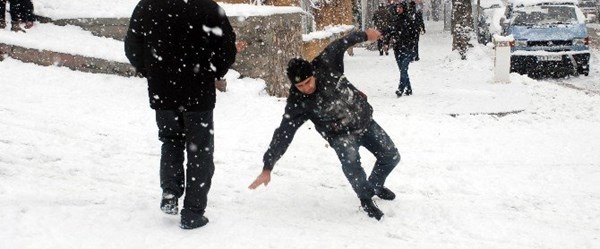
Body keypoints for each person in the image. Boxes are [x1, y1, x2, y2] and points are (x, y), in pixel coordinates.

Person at [248, 29, 401, 221]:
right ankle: (366, 198)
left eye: (307, 82)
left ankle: (376, 185)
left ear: (313, 74)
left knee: (391, 156)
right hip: (340, 135)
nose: (306, 88)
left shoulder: (326, 62)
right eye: (300, 86)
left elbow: (343, 42)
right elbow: (283, 133)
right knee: (352, 164)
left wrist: (365, 36)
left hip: (365, 121)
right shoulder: (298, 103)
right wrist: (268, 166)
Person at [124, 0, 237, 229]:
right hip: (198, 90)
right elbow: (226, 47)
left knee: (170, 140)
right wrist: (215, 71)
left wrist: (150, 71)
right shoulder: (208, 8)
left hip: (163, 89)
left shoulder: (148, 6)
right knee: (200, 149)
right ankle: (193, 212)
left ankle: (170, 191)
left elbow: (132, 46)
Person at [385, 2, 419, 97]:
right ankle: (409, 88)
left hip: (407, 48)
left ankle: (400, 89)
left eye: (400, 8)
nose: (398, 9)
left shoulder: (409, 20)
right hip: (397, 48)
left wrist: (413, 47)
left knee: (404, 68)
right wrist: (386, 42)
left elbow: (415, 35)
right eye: (397, 8)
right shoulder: (395, 20)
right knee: (402, 70)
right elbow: (390, 32)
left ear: (404, 8)